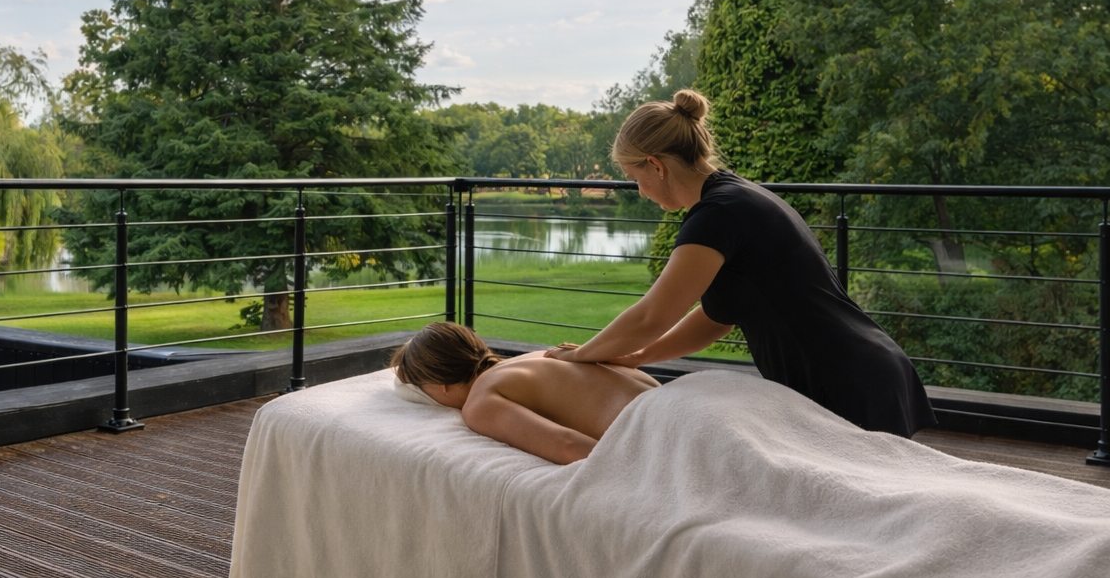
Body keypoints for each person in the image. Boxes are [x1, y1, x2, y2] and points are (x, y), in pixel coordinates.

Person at [545, 88, 934, 437]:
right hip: (862, 372)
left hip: (847, 382)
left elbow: (652, 315)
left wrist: (579, 356)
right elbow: (717, 317)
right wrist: (638, 356)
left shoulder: (719, 214)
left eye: (635, 178)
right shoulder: (731, 199)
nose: (640, 192)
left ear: (657, 165)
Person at [392, 322, 659, 464]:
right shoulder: (538, 356)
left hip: (661, 434)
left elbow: (569, 447)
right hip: (674, 402)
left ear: (442, 387)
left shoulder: (480, 402)